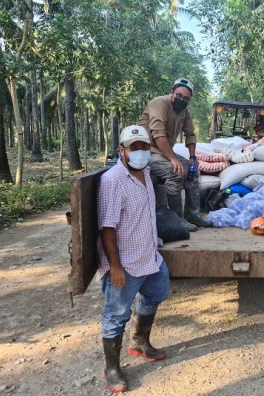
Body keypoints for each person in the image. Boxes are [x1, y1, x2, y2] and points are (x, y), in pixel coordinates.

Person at [97, 125, 170, 393]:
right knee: (116, 315)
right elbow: (107, 227)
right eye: (133, 147)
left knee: (157, 294)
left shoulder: (146, 174)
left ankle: (140, 342)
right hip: (126, 263)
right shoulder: (113, 180)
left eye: (144, 147)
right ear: (122, 150)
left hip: (149, 256)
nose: (140, 152)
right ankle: (112, 368)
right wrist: (115, 266)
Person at [137, 77, 212, 232]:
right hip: (146, 151)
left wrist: (192, 158)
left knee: (193, 171)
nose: (181, 100)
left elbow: (190, 134)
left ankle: (193, 214)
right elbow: (158, 135)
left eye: (186, 98)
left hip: (162, 152)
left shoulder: (184, 111)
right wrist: (172, 159)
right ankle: (177, 219)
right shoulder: (159, 103)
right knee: (175, 171)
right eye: (178, 95)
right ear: (172, 92)